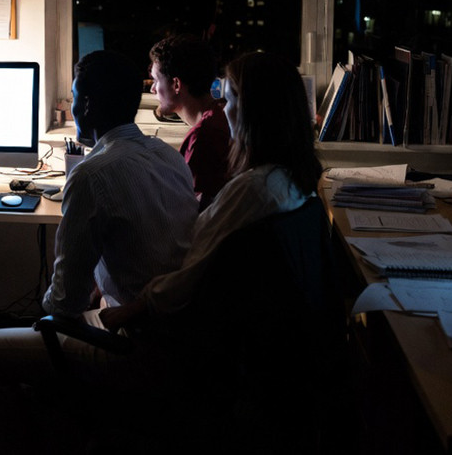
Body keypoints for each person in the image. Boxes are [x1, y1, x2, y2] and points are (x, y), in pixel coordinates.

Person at [0, 50, 200, 454]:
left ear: (86, 105)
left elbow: (64, 304)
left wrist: (51, 307)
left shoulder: (92, 174)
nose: (72, 107)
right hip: (181, 338)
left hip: (134, 346)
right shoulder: (167, 155)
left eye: (73, 97)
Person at [101, 50, 323, 331]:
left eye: (228, 100)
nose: (223, 110)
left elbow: (192, 274)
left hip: (189, 330)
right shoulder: (293, 181)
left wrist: (134, 308)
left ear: (251, 112)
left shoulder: (252, 190)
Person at [149, 35, 231, 210]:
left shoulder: (204, 136)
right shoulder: (219, 117)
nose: (152, 89)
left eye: (156, 80)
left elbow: (193, 211)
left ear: (176, 85)